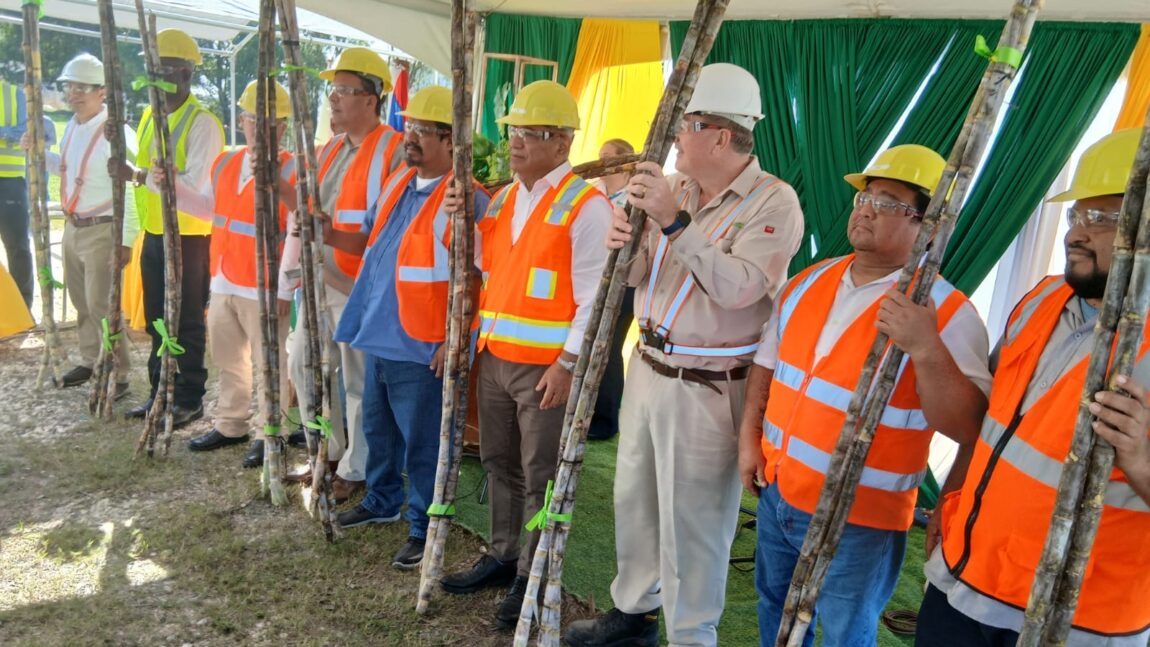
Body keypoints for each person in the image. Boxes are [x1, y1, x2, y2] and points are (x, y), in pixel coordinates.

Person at [565, 63, 805, 647]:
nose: (676, 138)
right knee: (635, 496)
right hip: (648, 364)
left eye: (687, 125)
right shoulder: (683, 188)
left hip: (710, 383)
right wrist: (629, 241)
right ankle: (634, 614)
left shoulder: (774, 202)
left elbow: (740, 289)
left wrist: (672, 220)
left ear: (721, 135)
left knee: (695, 522)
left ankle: (692, 635)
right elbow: (646, 276)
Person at [744, 145, 992, 646]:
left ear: (927, 225)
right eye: (865, 197)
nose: (866, 208)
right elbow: (766, 368)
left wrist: (925, 346)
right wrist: (750, 440)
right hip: (778, 490)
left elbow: (968, 427)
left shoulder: (947, 310)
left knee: (843, 633)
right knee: (775, 608)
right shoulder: (808, 280)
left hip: (862, 517)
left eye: (888, 201)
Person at [916, 128, 1150, 646]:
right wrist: (953, 496)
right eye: (1076, 216)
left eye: (1103, 219)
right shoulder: (1042, 300)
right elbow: (991, 426)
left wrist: (1142, 460)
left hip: (1075, 621)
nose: (1076, 234)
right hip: (966, 575)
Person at [438, 80, 612, 629]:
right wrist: (455, 218)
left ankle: (530, 577)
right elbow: (482, 268)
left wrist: (568, 364)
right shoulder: (509, 196)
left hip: (545, 370)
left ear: (562, 143)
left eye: (529, 134)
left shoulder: (588, 207)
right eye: (513, 132)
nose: (515, 143)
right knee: (497, 463)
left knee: (540, 476)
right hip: (494, 359)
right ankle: (503, 553)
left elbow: (594, 297)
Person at [328, 86, 490, 569]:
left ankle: (423, 524)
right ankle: (381, 499)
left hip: (423, 343)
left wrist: (457, 338)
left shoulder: (469, 201)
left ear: (450, 140)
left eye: (423, 130)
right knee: (379, 428)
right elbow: (371, 247)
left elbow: (484, 278)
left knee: (424, 440)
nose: (411, 136)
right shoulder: (401, 180)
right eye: (410, 126)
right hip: (380, 330)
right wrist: (324, 231)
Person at [150, 80, 296, 464]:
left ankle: (271, 433)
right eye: (249, 118)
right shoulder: (227, 161)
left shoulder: (293, 170)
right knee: (228, 358)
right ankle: (232, 424)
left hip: (263, 285)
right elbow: (209, 209)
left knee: (270, 364)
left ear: (282, 126)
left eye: (266, 120)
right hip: (225, 277)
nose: (256, 127)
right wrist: (174, 189)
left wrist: (284, 288)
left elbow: (297, 231)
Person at [284, 47, 403, 500]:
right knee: (304, 366)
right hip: (318, 280)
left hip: (361, 289)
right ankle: (326, 451)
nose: (333, 100)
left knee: (357, 382)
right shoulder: (330, 147)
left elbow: (392, 229)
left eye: (344, 91)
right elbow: (306, 208)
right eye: (331, 91)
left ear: (371, 99)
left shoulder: (394, 150)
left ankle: (356, 468)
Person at [111, 29, 224, 429]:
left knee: (187, 319)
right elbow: (144, 171)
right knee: (157, 317)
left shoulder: (202, 123)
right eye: (150, 69)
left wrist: (141, 175)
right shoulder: (147, 115)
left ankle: (189, 397)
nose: (154, 78)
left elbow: (197, 187)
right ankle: (160, 390)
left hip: (189, 238)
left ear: (186, 74)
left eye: (163, 70)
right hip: (154, 233)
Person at [32, 54, 138, 395]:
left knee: (101, 304)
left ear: (102, 92)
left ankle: (118, 372)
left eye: (82, 88)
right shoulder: (73, 128)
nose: (74, 93)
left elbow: (132, 188)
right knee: (81, 301)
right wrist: (39, 154)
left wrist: (125, 240)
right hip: (74, 226)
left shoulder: (116, 131)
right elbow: (66, 170)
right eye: (70, 87)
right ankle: (91, 359)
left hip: (103, 227)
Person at [589, 137, 636, 441]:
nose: (601, 161)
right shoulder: (592, 191)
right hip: (592, 279)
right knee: (590, 345)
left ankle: (606, 420)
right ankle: (586, 409)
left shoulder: (635, 198)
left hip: (624, 281)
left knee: (608, 348)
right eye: (600, 155)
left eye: (608, 157)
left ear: (625, 163)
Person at [0, 77, 32, 307]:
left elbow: (24, 131)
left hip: (10, 182)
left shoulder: (14, 94)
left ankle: (22, 310)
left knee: (18, 247)